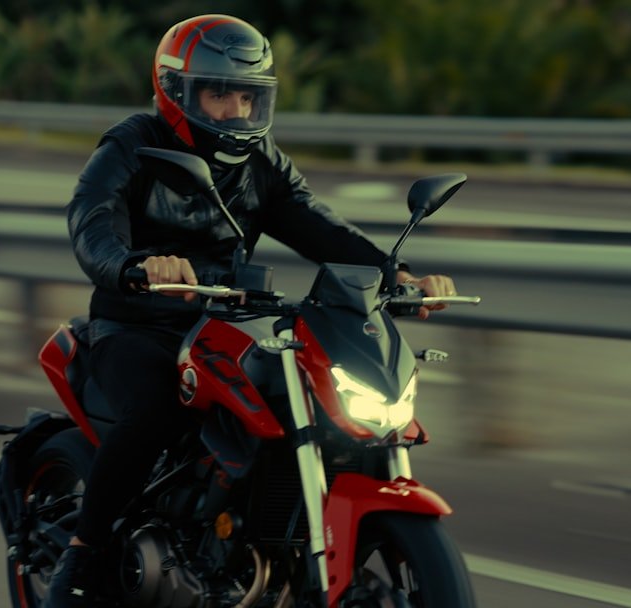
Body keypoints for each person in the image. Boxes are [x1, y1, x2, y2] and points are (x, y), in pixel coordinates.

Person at [46, 14, 457, 607]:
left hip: (227, 324)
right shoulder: (131, 144)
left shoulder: (260, 160)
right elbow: (91, 222)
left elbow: (319, 226)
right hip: (138, 324)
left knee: (310, 402)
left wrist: (398, 278)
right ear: (176, 90)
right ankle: (81, 556)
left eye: (247, 96)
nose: (235, 110)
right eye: (218, 94)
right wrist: (138, 265)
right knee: (154, 413)